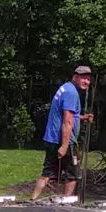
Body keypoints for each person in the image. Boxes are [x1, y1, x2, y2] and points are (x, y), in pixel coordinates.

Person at [31, 64, 93, 200]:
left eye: (88, 79)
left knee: (47, 174)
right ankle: (64, 205)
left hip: (52, 138)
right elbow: (67, 121)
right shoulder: (71, 93)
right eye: (83, 78)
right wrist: (64, 146)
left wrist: (82, 118)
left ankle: (32, 200)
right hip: (64, 140)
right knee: (73, 175)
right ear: (75, 77)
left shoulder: (65, 88)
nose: (86, 82)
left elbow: (67, 115)